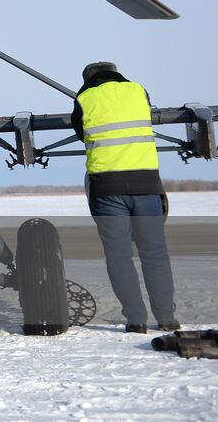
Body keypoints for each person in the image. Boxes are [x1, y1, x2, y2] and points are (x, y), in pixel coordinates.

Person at [71, 62, 177, 333]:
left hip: (107, 188)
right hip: (147, 184)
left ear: (88, 79)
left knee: (119, 258)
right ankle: (166, 318)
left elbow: (81, 133)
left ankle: (135, 320)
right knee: (155, 255)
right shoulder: (138, 91)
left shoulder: (84, 98)